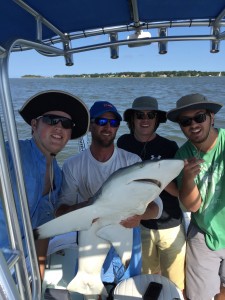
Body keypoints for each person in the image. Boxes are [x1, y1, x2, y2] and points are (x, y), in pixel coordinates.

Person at [56, 100, 163, 297]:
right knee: (91, 287)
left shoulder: (132, 162)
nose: (108, 127)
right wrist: (89, 206)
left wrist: (140, 216)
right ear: (90, 126)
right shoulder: (73, 165)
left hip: (128, 234)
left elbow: (157, 206)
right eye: (102, 121)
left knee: (127, 290)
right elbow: (61, 210)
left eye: (113, 123)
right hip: (91, 235)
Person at [0, 90, 89, 281]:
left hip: (19, 267)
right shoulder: (9, 153)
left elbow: (42, 230)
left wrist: (39, 278)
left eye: (66, 124)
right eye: (50, 120)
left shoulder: (58, 175)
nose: (59, 127)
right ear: (34, 124)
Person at [117, 96, 186, 292]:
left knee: (175, 283)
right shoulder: (123, 143)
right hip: (139, 226)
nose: (145, 119)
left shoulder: (169, 146)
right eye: (140, 115)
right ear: (132, 120)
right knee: (146, 282)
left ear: (157, 120)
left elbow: (178, 192)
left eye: (150, 115)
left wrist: (157, 176)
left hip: (170, 224)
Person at [167, 93, 225, 300]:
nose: (193, 125)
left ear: (211, 117)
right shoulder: (182, 156)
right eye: (185, 121)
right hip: (203, 231)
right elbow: (192, 207)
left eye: (199, 117)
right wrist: (189, 178)